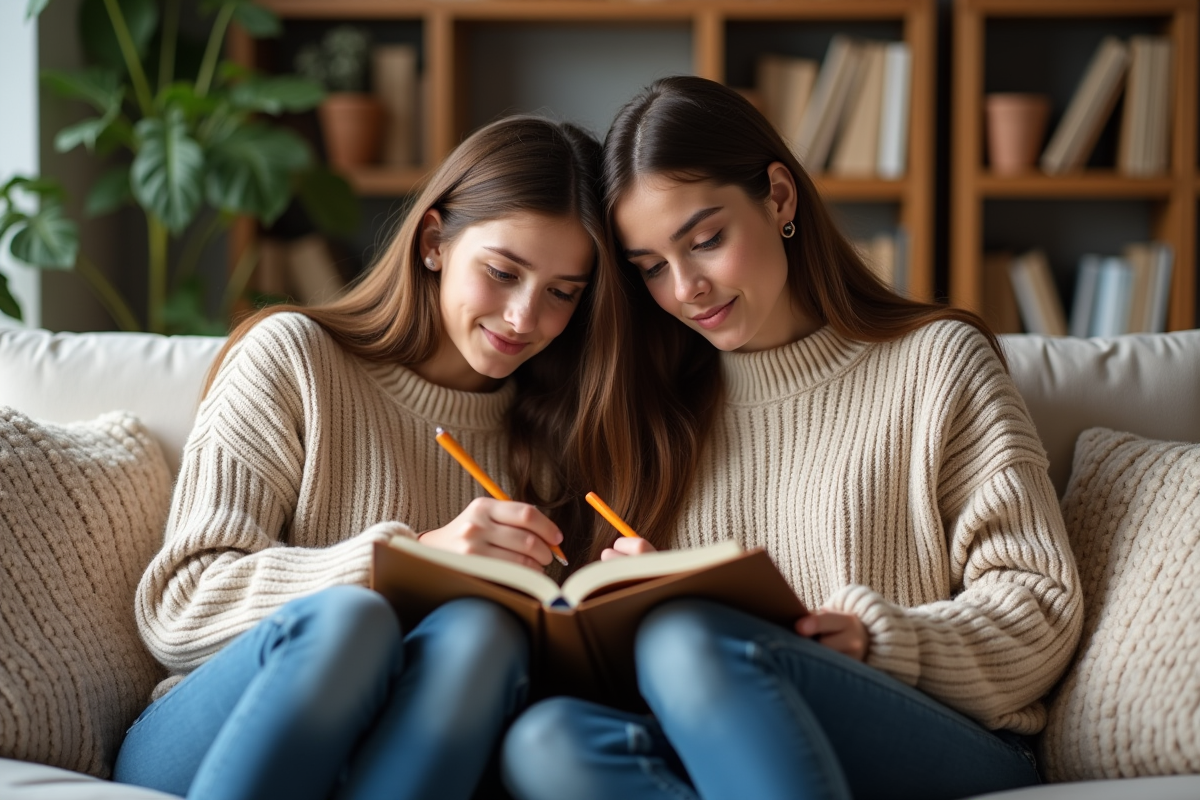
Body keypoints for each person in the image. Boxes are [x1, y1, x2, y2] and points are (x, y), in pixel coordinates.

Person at [501, 76, 1083, 800]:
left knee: (693, 643)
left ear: (778, 197)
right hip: (732, 734)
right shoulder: (661, 408)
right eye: (650, 268)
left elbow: (1040, 609)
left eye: (706, 240)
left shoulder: (937, 362)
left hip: (939, 733)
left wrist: (878, 638)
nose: (686, 289)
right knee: (548, 741)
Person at [113, 115, 617, 800]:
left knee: (481, 635)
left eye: (562, 293)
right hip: (211, 731)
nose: (525, 317)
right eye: (503, 272)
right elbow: (179, 607)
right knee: (352, 621)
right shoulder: (294, 359)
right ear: (435, 242)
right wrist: (407, 562)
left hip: (400, 755)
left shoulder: (557, 434)